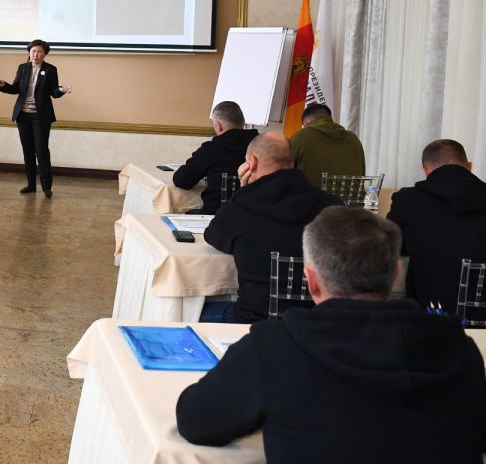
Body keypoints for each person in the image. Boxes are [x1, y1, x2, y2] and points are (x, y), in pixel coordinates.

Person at [177, 206, 486, 461]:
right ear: (395, 276)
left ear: (311, 281)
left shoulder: (274, 347)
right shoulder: (462, 351)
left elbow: (195, 419)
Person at [203, 132, 342, 322]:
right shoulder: (332, 205)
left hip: (252, 320)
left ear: (251, 163)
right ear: (292, 161)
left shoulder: (242, 205)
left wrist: (245, 192)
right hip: (318, 321)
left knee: (196, 310)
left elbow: (213, 236)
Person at [387, 138, 486, 315]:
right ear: (470, 167)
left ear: (426, 171)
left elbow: (391, 249)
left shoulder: (407, 201)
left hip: (428, 316)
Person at [0, 39, 71, 197]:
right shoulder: (23, 68)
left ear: (45, 54)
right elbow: (16, 88)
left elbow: (53, 92)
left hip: (41, 117)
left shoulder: (50, 69)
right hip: (23, 116)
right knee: (27, 150)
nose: (36, 54)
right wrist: (3, 85)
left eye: (40, 52)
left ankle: (46, 187)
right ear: (29, 52)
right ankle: (31, 185)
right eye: (34, 51)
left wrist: (61, 90)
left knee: (41, 150)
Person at [173, 101, 258, 215]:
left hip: (215, 215)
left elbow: (181, 180)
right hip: (254, 215)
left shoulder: (211, 149)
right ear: (242, 123)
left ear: (219, 126)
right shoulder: (261, 146)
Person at [289, 102, 365, 187]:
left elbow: (285, 174)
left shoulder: (300, 137)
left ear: (306, 122)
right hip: (352, 195)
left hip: (313, 195)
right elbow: (362, 173)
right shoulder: (353, 139)